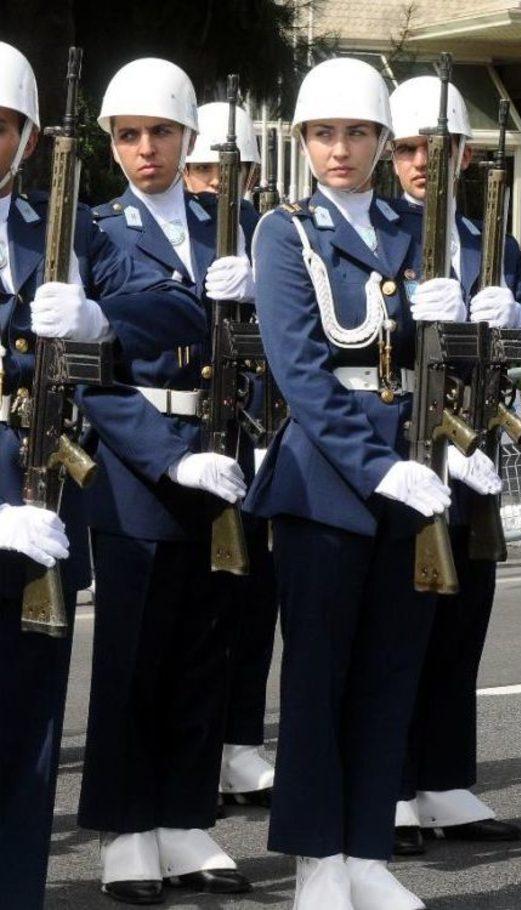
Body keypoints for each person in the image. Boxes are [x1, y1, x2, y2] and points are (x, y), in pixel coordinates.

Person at [245, 56, 497, 910]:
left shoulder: (412, 227)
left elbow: (439, 357)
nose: (341, 150)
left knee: (394, 669)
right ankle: (318, 860)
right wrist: (381, 465)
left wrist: (455, 421)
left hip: (418, 474)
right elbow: (303, 375)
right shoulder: (286, 232)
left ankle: (366, 851)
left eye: (357, 133)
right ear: (304, 142)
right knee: (319, 676)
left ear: (383, 139)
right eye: (324, 134)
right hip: (329, 483)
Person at [0, 41, 205, 910]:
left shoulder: (63, 228)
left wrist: (97, 313)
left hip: (43, 509)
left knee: (27, 747)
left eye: (0, 125)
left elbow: (179, 305)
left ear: (30, 138)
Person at [75, 59, 256, 904]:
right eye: (127, 135)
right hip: (140, 463)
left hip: (223, 446)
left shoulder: (237, 222)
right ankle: (125, 829)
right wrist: (162, 451)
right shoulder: (93, 231)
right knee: (134, 653)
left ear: (190, 137)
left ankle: (185, 821)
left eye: (159, 133)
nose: (144, 150)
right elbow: (86, 374)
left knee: (204, 646)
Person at [388, 75, 521, 855]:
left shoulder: (488, 238)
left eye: (438, 148)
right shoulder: (369, 233)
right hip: (398, 458)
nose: (423, 163)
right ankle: (390, 786)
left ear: (464, 154)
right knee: (397, 631)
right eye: (406, 149)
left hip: (474, 460)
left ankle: (444, 780)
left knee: (462, 623)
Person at [185, 101, 278, 808]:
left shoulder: (272, 236)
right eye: (201, 170)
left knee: (251, 601)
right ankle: (188, 757)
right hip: (183, 441)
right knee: (186, 613)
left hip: (254, 436)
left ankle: (240, 742)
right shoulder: (144, 230)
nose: (212, 184)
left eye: (227, 171)